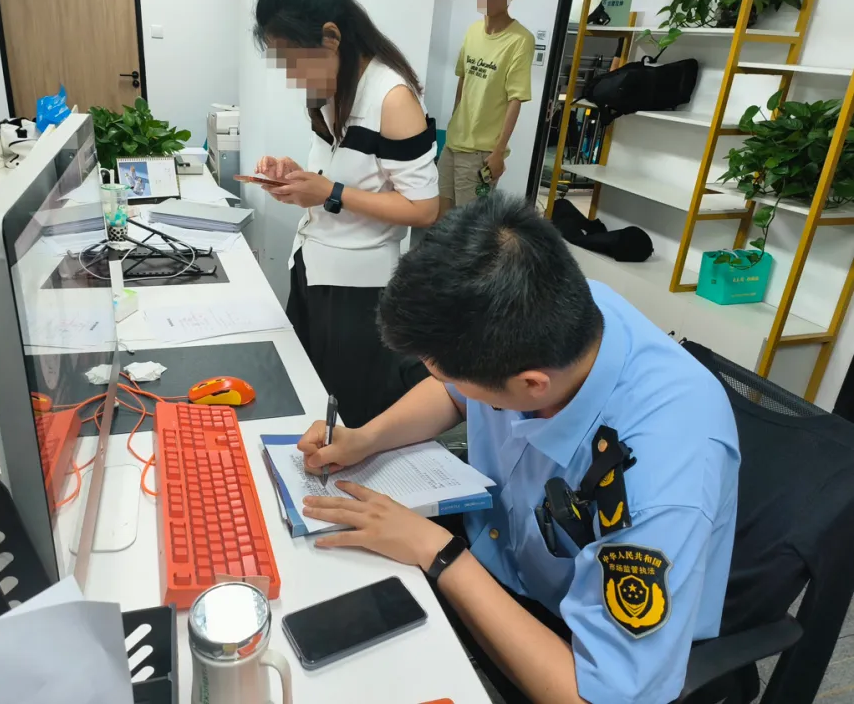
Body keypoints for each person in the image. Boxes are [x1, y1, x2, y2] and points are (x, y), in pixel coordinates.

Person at [296, 194, 740, 704]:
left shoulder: (661, 476)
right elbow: (456, 392)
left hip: (561, 631)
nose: (447, 383)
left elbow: (593, 697)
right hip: (491, 556)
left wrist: (438, 554)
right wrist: (366, 438)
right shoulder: (552, 313)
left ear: (531, 385)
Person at [252, 0, 439, 428]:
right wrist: (294, 175)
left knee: (348, 419)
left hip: (359, 291)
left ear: (331, 37)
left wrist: (329, 192)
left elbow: (424, 209)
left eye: (294, 60)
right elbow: (337, 171)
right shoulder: (329, 91)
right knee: (303, 399)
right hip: (311, 268)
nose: (291, 75)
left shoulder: (392, 99)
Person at [440, 0, 534, 214]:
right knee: (441, 216)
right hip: (453, 143)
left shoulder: (520, 40)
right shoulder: (472, 31)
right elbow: (463, 79)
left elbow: (516, 99)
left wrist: (498, 152)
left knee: (469, 224)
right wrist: (454, 121)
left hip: (481, 153)